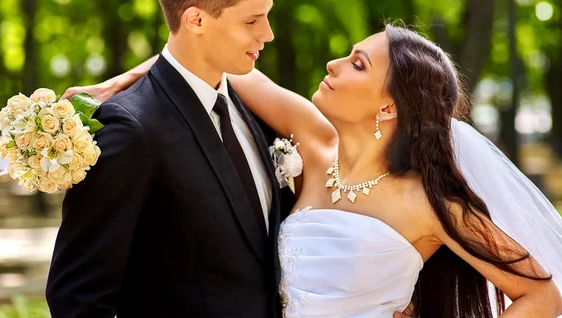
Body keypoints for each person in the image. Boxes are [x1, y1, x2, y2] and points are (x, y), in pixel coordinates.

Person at [46, 0, 416, 318]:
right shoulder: (130, 132)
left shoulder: (255, 110)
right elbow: (78, 301)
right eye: (252, 21)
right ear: (197, 20)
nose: (268, 34)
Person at [86, 25, 562, 317]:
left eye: (357, 64)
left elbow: (541, 296)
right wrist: (122, 82)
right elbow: (209, 60)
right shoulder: (312, 145)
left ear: (389, 106)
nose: (333, 64)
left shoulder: (425, 202)